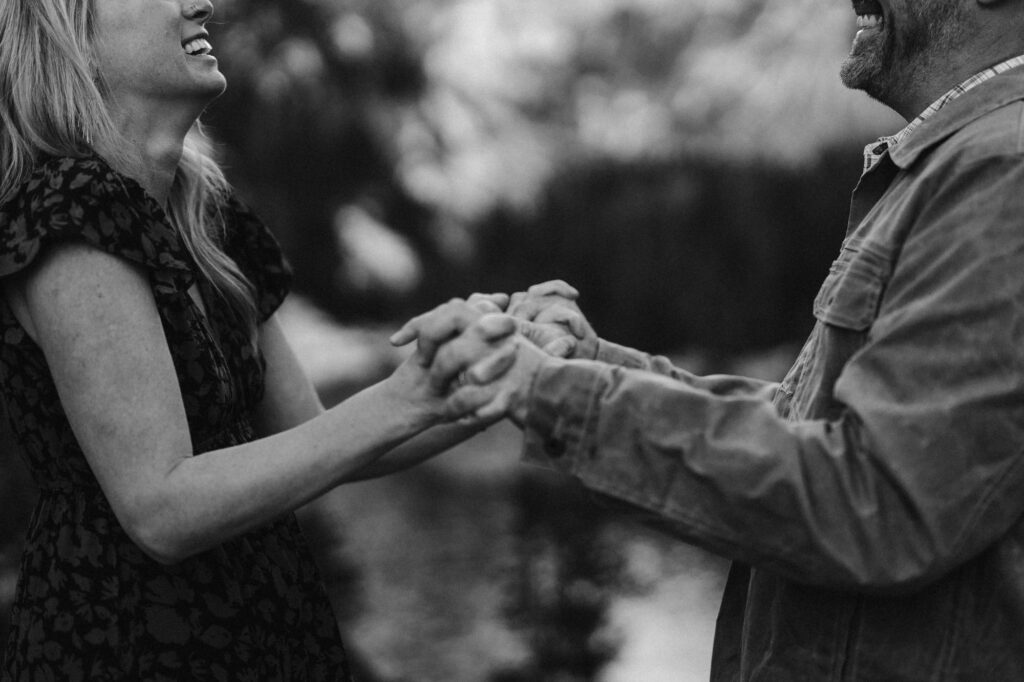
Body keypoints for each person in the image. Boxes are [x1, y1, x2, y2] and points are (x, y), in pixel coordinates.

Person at [396, 0, 1024, 679]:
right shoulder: (971, 163)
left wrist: (547, 390)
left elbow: (876, 501)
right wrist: (590, 366)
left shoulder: (1002, 172)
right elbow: (819, 432)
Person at [0, 1, 542, 679]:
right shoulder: (68, 208)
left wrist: (499, 370)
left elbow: (319, 437)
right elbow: (161, 508)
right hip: (132, 641)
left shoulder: (206, 217)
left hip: (264, 619)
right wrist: (408, 397)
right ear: (72, 33)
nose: (201, 3)